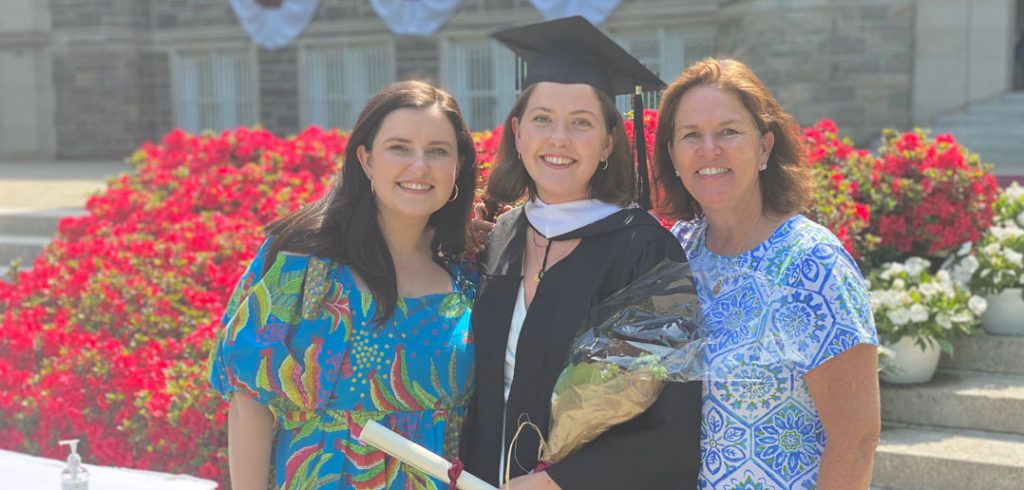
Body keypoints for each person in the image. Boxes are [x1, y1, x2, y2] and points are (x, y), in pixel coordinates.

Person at [460, 16, 702, 490]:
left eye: (582, 123)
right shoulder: (501, 237)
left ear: (609, 141)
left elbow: (673, 418)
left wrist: (562, 481)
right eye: (543, 119)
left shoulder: (646, 250)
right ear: (519, 132)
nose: (559, 139)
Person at [207, 80, 479, 489]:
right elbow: (250, 400)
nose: (419, 165)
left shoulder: (468, 273)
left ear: (458, 166)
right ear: (366, 160)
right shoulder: (303, 265)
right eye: (399, 147)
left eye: (438, 151)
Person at [652, 58, 881, 490]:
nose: (709, 150)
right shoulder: (675, 252)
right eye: (690, 135)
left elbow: (857, 440)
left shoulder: (811, 264)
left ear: (765, 147)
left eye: (728, 131)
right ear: (673, 155)